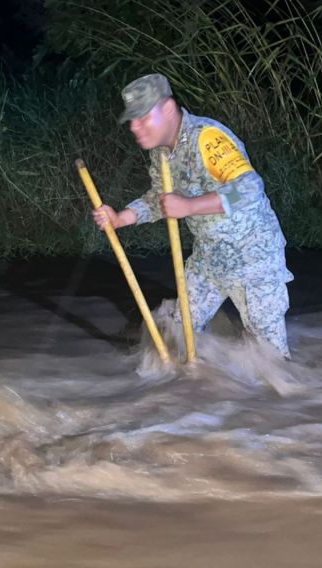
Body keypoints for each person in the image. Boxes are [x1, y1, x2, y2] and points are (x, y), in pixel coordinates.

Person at [93, 73, 293, 357]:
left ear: (169, 109)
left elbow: (249, 189)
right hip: (210, 259)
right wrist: (120, 218)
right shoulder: (161, 152)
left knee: (270, 356)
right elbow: (159, 199)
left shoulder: (207, 137)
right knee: (177, 334)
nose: (134, 127)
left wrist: (189, 206)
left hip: (253, 258)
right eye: (132, 120)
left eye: (142, 118)